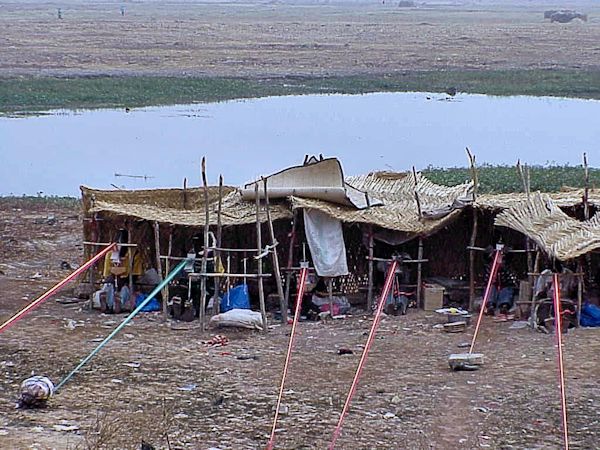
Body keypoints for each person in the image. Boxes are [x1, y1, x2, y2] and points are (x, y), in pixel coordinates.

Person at [484, 246, 519, 319]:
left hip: (505, 284)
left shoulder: (507, 265)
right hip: (494, 284)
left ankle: (504, 306)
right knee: (490, 289)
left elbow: (511, 279)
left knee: (506, 290)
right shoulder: (490, 264)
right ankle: (491, 305)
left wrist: (503, 265)